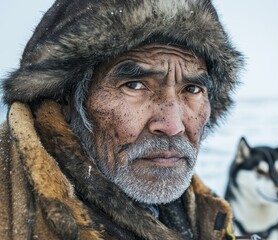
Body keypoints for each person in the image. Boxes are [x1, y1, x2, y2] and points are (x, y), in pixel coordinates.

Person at [0, 0, 244, 239]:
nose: (173, 126)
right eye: (135, 85)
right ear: (66, 100)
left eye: (192, 89)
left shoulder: (206, 214)